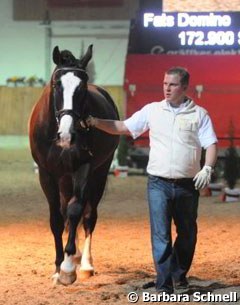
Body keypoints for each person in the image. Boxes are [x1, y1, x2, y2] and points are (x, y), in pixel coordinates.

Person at [81, 66, 218, 294]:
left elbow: (211, 144)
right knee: (160, 234)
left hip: (187, 185)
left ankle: (177, 274)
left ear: (184, 87)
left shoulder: (199, 114)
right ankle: (164, 284)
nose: (167, 88)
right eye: (165, 83)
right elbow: (123, 127)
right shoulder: (152, 111)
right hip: (158, 184)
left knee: (187, 234)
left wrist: (208, 168)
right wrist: (95, 121)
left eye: (172, 85)